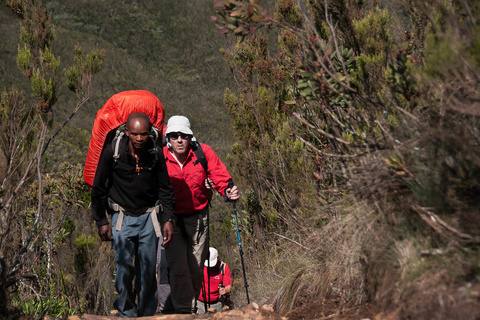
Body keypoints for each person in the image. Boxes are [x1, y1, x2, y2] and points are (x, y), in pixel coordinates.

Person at [91, 112, 175, 317]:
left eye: (144, 134)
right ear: (127, 132)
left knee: (147, 271)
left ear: (149, 134)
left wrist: (168, 219)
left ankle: (146, 313)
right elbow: (98, 188)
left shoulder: (155, 152)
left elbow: (165, 188)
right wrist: (101, 221)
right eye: (135, 134)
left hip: (149, 217)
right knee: (123, 268)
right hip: (122, 217)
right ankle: (127, 311)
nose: (139, 138)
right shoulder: (113, 152)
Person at [162, 115, 239, 314]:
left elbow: (219, 175)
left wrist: (228, 191)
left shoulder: (202, 153)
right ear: (167, 138)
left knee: (196, 267)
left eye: (183, 136)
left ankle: (190, 304)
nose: (179, 140)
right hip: (170, 220)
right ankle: (184, 311)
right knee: (179, 268)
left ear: (190, 137)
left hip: (198, 218)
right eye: (174, 136)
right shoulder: (160, 156)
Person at [197, 247, 233, 314]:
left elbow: (228, 286)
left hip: (217, 304)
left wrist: (225, 290)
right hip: (201, 303)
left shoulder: (223, 267)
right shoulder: (200, 266)